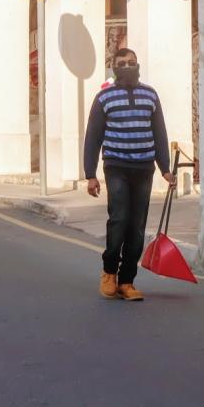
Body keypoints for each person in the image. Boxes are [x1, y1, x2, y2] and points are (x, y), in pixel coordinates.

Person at [84, 48, 174, 302]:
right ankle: (109, 271)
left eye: (132, 62)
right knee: (119, 219)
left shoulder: (150, 95)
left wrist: (165, 169)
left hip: (144, 168)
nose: (128, 66)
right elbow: (93, 138)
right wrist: (90, 174)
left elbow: (159, 133)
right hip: (116, 166)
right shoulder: (104, 98)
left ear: (138, 65)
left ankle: (127, 281)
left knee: (137, 227)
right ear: (114, 67)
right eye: (122, 63)